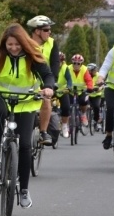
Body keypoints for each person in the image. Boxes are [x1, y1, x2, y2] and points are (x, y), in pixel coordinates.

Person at [0, 23, 54, 208]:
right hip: (1, 97)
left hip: (26, 102)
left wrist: (49, 88)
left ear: (23, 43)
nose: (13, 48)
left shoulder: (33, 55)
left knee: (26, 145)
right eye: (10, 44)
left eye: (17, 44)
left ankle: (24, 190)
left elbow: (47, 75)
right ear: (5, 43)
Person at [26, 15, 70, 145]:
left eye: (50, 30)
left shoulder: (52, 43)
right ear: (36, 31)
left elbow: (55, 63)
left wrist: (51, 84)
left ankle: (43, 132)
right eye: (46, 30)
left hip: (44, 79)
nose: (49, 32)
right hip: (26, 79)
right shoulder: (25, 42)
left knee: (46, 101)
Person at [68, 54, 92, 127]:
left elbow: (89, 80)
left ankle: (83, 114)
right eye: (74, 63)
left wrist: (90, 87)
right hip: (70, 91)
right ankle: (67, 121)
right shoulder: (68, 69)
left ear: (81, 64)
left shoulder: (84, 70)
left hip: (81, 91)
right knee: (66, 104)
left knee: (84, 101)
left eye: (78, 63)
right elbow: (63, 79)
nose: (76, 65)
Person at [56, 52, 73, 137]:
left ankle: (64, 125)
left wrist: (69, 87)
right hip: (50, 91)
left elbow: (69, 79)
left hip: (62, 91)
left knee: (66, 108)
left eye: (60, 61)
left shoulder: (65, 68)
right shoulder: (48, 66)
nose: (58, 63)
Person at [87, 63, 104, 131]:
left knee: (96, 106)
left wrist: (100, 88)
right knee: (84, 105)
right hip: (88, 94)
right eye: (94, 70)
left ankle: (96, 120)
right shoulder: (86, 75)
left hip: (96, 95)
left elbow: (102, 84)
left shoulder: (98, 75)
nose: (95, 71)